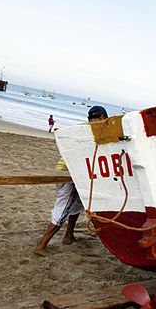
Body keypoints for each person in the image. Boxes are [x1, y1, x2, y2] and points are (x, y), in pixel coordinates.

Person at [34, 105, 108, 256]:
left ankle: (69, 235)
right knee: (63, 207)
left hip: (79, 172)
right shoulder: (88, 132)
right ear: (102, 118)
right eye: (100, 119)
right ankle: (41, 245)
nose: (100, 122)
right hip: (67, 172)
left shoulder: (88, 130)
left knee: (78, 204)